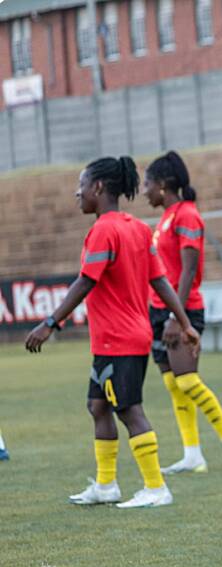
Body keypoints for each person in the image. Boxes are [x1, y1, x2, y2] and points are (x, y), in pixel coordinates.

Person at [24, 156, 202, 509]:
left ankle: (156, 487)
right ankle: (106, 486)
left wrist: (49, 323)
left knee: (129, 410)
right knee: (98, 405)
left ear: (99, 187)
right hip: (125, 336)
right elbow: (161, 281)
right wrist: (184, 323)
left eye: (82, 185)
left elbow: (86, 281)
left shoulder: (104, 230)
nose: (78, 193)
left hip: (117, 340)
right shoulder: (136, 227)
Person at [143, 151, 222, 474]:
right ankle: (193, 454)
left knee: (188, 381)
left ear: (162, 185)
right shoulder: (167, 216)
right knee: (174, 385)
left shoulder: (187, 215)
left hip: (183, 310)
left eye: (147, 184)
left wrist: (179, 318)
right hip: (162, 311)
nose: (145, 191)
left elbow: (189, 270)